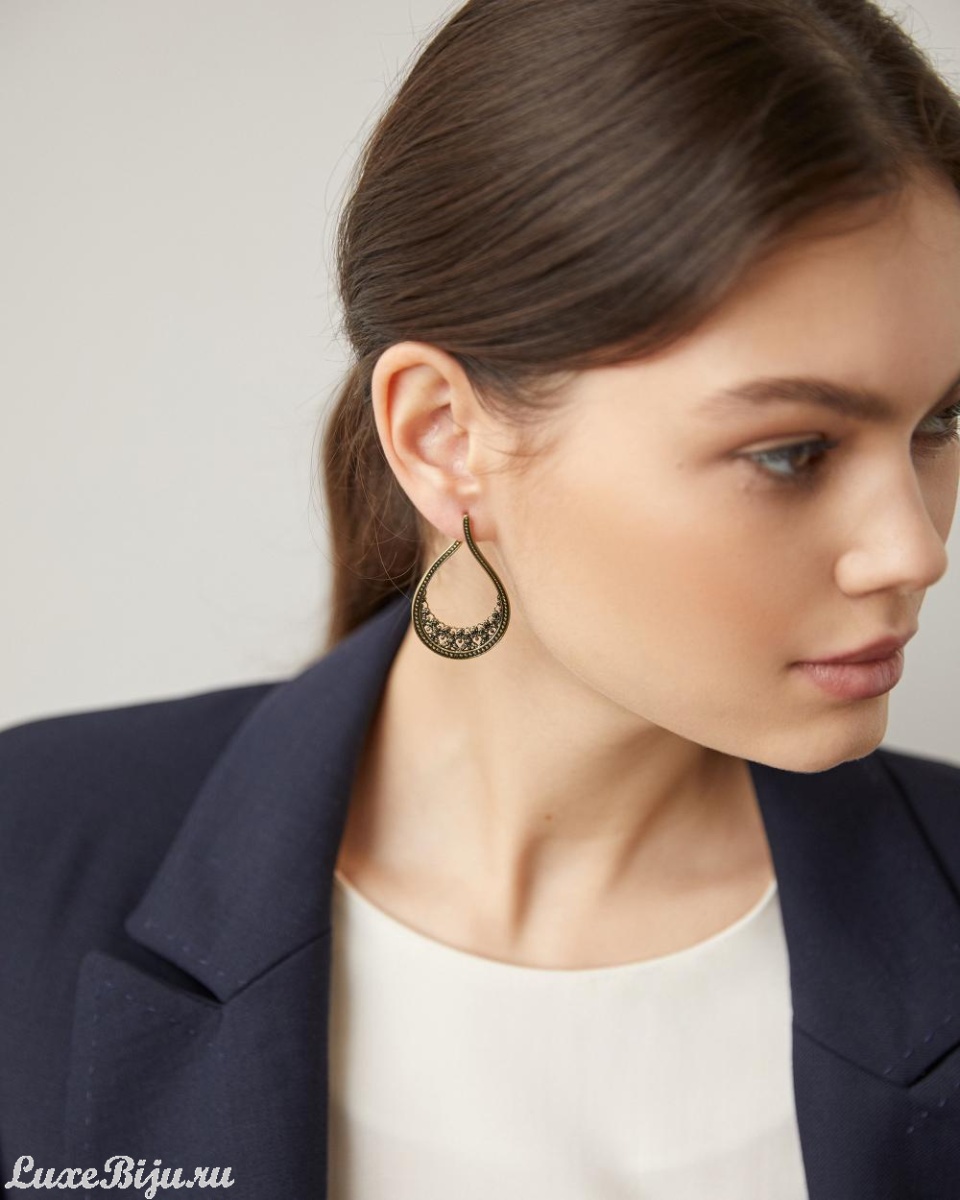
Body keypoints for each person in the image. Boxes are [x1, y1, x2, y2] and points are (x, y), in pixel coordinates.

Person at [3, 0, 960, 1196]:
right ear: (446, 439)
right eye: (792, 451)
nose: (912, 551)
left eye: (941, 423)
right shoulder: (26, 861)